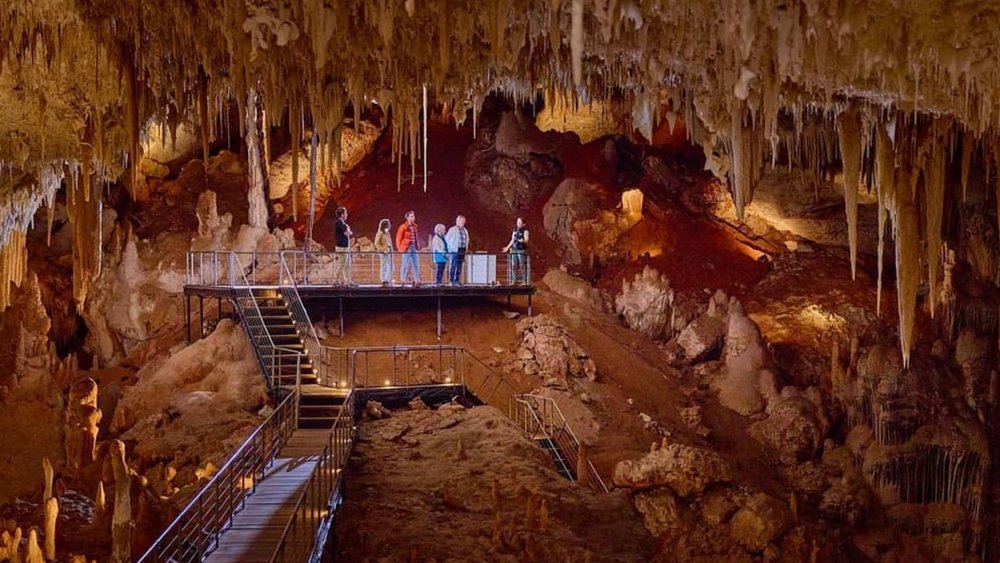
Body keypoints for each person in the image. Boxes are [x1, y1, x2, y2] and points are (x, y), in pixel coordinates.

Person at [395, 211, 421, 286]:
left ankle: (417, 280)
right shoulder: (403, 227)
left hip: (413, 247)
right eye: (412, 216)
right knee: (405, 264)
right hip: (406, 247)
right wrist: (399, 248)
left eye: (413, 216)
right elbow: (398, 238)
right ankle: (402, 280)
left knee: (415, 264)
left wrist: (417, 246)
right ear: (407, 217)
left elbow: (416, 237)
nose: (413, 217)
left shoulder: (415, 226)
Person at [502, 217, 529, 285]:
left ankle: (524, 281)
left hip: (521, 250)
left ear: (523, 224)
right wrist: (507, 247)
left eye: (520, 222)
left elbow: (527, 240)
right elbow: (512, 240)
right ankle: (514, 281)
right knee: (514, 266)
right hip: (514, 250)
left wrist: (523, 241)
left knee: (522, 266)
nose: (518, 224)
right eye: (517, 222)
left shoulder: (525, 231)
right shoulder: (515, 230)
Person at [445, 215, 470, 286]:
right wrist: (450, 248)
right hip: (455, 249)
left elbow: (467, 239)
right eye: (462, 221)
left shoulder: (465, 230)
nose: (464, 222)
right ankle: (451, 280)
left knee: (459, 265)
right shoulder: (453, 229)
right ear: (458, 221)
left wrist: (466, 249)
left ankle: (457, 280)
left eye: (464, 221)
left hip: (462, 249)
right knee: (453, 265)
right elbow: (447, 239)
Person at [332, 207, 352, 285]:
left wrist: (348, 231)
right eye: (345, 213)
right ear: (342, 214)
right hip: (342, 247)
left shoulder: (343, 223)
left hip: (345, 247)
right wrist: (348, 231)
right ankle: (335, 280)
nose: (346, 215)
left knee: (347, 265)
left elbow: (348, 232)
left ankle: (347, 281)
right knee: (341, 264)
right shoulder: (338, 223)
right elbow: (346, 232)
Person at [373, 218, 393, 286]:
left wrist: (391, 251)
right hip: (383, 252)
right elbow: (376, 243)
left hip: (388, 252)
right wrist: (382, 250)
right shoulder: (380, 233)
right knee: (384, 266)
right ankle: (384, 280)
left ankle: (387, 279)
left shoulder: (387, 233)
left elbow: (389, 242)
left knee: (391, 266)